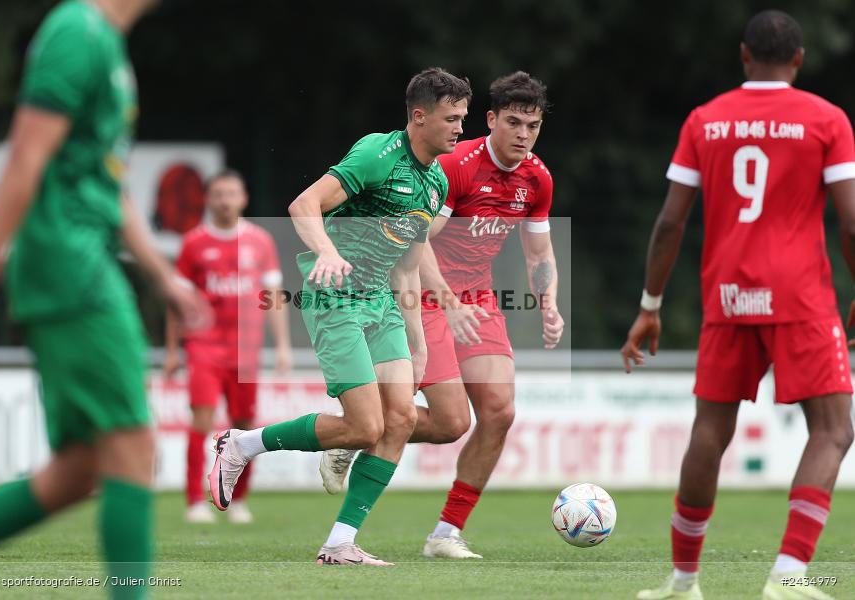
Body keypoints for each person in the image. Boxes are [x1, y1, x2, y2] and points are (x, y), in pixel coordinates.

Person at [0, 1, 209, 598]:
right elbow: (24, 155)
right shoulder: (77, 32)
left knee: (78, 470)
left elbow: (105, 184)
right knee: (132, 446)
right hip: (67, 261)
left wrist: (162, 276)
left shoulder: (109, 46)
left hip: (82, 257)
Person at [622, 11, 855, 600]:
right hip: (801, 296)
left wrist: (651, 304)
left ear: (745, 57)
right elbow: (852, 222)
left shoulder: (707, 119)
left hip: (726, 295)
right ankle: (791, 575)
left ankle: (682, 582)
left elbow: (670, 222)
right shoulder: (828, 120)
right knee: (831, 429)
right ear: (799, 59)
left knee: (710, 431)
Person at [207, 67, 472, 565]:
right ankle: (241, 445)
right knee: (364, 427)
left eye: (463, 118)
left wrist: (418, 345)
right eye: (450, 118)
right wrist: (327, 251)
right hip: (334, 296)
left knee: (395, 420)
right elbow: (303, 205)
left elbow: (409, 267)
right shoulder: (377, 153)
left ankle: (339, 543)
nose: (460, 128)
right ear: (419, 117)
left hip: (381, 302)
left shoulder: (435, 183)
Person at [319, 71, 564, 559]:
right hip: (425, 296)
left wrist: (549, 301)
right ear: (491, 120)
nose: (523, 134)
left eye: (532, 126)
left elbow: (539, 253)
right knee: (446, 420)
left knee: (496, 412)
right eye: (513, 122)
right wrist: (447, 304)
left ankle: (446, 533)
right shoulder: (456, 165)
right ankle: (352, 435)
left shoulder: (536, 178)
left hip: (479, 300)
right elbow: (416, 243)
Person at [164, 169, 292, 525]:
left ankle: (237, 500)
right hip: (204, 347)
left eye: (231, 193)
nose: (224, 200)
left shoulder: (260, 241)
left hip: (245, 351)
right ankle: (194, 501)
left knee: (244, 425)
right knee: (201, 419)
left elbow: (273, 297)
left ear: (243, 198)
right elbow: (177, 300)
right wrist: (174, 350)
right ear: (208, 199)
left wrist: (282, 345)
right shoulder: (193, 243)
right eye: (218, 194)